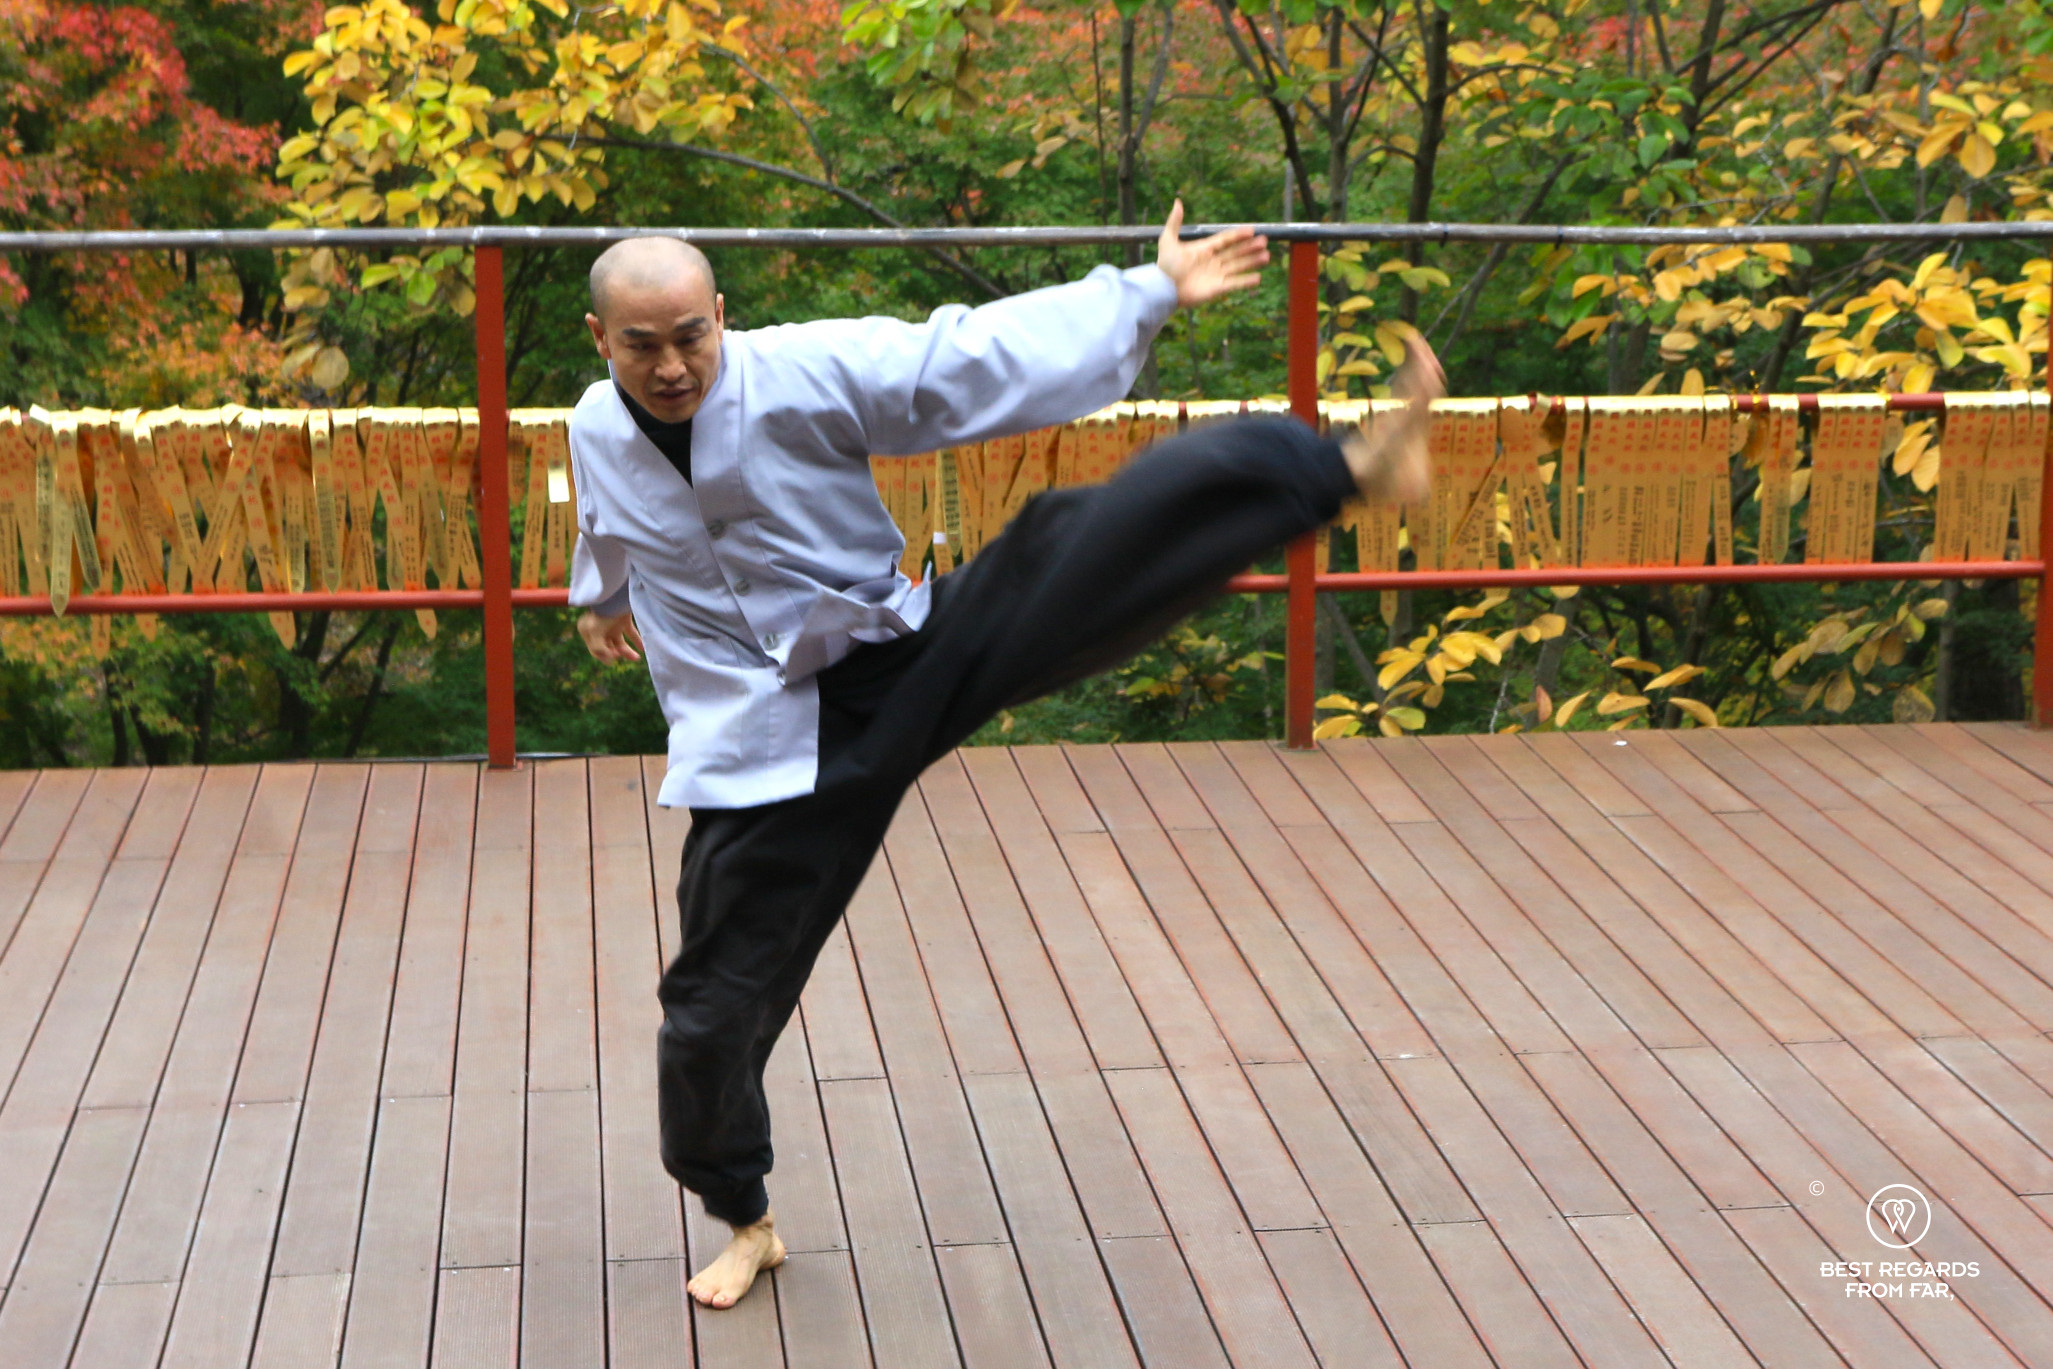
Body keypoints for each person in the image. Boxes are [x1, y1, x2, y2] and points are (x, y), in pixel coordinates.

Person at [569, 205, 1441, 1309]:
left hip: (888, 658)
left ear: (721, 319)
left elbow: (966, 357)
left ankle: (1336, 468)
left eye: (691, 337)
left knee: (1059, 547)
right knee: (707, 1008)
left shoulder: (802, 371)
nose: (671, 366)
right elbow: (612, 517)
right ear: (601, 341)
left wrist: (1146, 291)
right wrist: (599, 596)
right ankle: (746, 1218)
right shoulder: (595, 424)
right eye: (642, 345)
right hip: (758, 741)